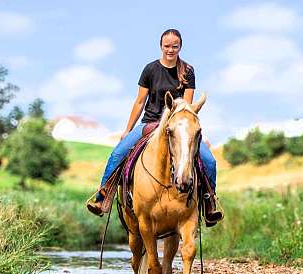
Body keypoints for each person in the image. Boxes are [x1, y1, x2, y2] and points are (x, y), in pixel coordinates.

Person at [86, 28, 223, 225]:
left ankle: (210, 204)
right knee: (118, 154)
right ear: (161, 46)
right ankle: (102, 198)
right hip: (149, 123)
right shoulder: (150, 70)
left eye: (174, 46)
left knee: (209, 161)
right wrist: (127, 129)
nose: (170, 50)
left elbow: (186, 107)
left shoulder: (188, 71)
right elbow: (140, 102)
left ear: (180, 47)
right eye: (167, 46)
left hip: (178, 126)